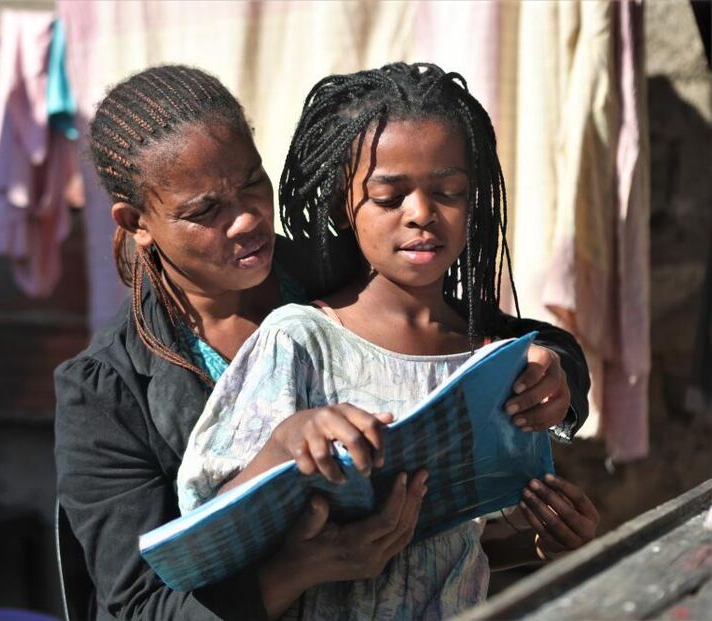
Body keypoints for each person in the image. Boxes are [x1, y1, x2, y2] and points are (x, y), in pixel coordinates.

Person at [54, 64, 591, 621]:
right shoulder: (106, 393)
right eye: (205, 211)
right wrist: (300, 567)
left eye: (251, 184)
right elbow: (141, 608)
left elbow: (482, 336)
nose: (245, 220)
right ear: (137, 221)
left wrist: (556, 374)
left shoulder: (338, 274)